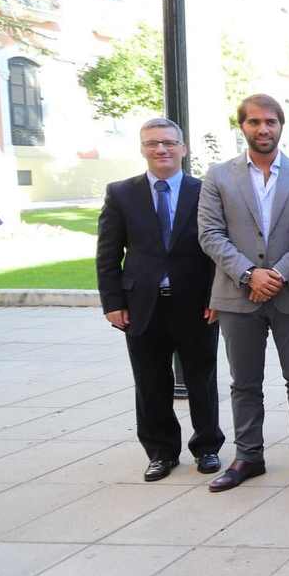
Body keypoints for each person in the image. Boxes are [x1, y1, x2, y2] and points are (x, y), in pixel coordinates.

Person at [196, 95, 289, 491]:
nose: (263, 129)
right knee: (244, 382)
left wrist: (279, 275)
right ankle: (249, 455)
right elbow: (210, 234)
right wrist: (250, 274)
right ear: (242, 127)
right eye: (254, 122)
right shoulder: (218, 176)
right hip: (237, 296)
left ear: (282, 126)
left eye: (270, 121)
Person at [95, 118, 223, 481]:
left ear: (183, 148)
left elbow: (217, 249)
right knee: (150, 382)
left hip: (196, 302)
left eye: (168, 142)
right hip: (141, 306)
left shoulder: (205, 191)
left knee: (202, 379)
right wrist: (112, 302)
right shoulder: (121, 193)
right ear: (142, 149)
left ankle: (208, 447)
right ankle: (161, 452)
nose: (161, 149)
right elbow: (107, 253)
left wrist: (217, 295)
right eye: (152, 144)